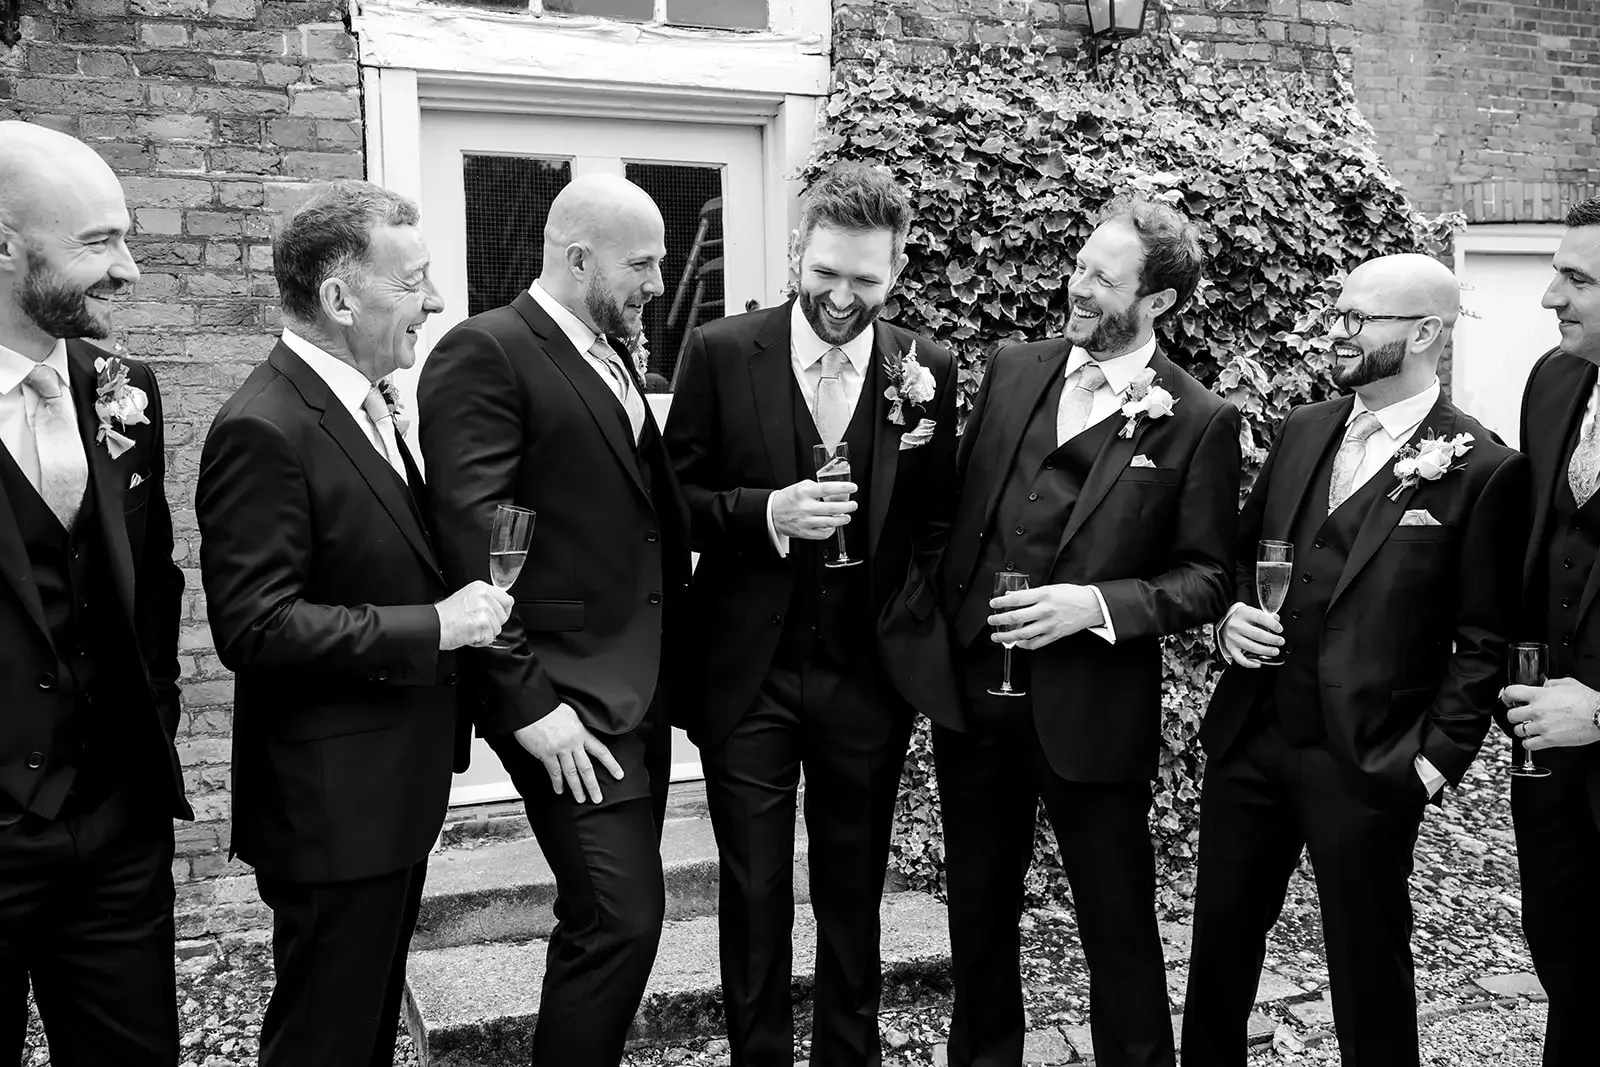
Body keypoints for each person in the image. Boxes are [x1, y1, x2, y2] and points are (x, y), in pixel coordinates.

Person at [1183, 254, 1528, 1066]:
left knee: (1369, 970)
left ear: (1423, 333)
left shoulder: (1482, 468)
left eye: (1356, 319)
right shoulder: (1305, 428)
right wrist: (1233, 615)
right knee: (1219, 953)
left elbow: (1484, 642)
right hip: (1252, 741)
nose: (1335, 333)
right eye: (1335, 313)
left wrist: (1431, 765)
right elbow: (1239, 557)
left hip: (1370, 760)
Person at [196, 180, 512, 1067]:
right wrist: (435, 626)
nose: (438, 302)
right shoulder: (265, 426)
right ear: (340, 299)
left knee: (365, 1031)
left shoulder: (363, 403)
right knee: (324, 1040)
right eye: (414, 282)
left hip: (384, 794)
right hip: (330, 807)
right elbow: (255, 627)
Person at [663, 162, 961, 1067]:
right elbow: (674, 496)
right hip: (747, 672)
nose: (842, 297)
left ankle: (848, 1055)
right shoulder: (721, 350)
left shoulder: (929, 367)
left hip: (865, 676)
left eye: (866, 280)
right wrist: (762, 512)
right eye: (827, 272)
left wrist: (913, 637)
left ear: (896, 271)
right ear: (799, 250)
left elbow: (940, 520)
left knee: (851, 887)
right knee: (753, 889)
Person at [935, 196, 1237, 1067]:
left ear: (1160, 304)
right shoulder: (1012, 366)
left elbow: (1209, 576)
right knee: (978, 913)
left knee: (1117, 923)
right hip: (976, 701)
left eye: (1102, 279)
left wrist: (1095, 606)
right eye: (1078, 265)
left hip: (1095, 712)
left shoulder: (1198, 418)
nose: (1077, 287)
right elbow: (964, 506)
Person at [419, 173, 692, 1067]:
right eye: (644, 262)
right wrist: (529, 705)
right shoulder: (486, 352)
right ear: (579, 259)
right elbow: (476, 545)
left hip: (635, 689)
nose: (661, 279)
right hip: (564, 698)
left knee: (603, 918)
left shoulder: (612, 349)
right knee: (622, 919)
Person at [0, 120, 191, 1066]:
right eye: (97, 242)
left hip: (115, 824)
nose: (130, 271)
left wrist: (148, 728)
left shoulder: (127, 386)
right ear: (4, 244)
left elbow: (151, 581)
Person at [1502, 194, 1600, 1067]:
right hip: (1550, 766)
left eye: (1575, 279)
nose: (1548, 297)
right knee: (1567, 964)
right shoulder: (1553, 381)